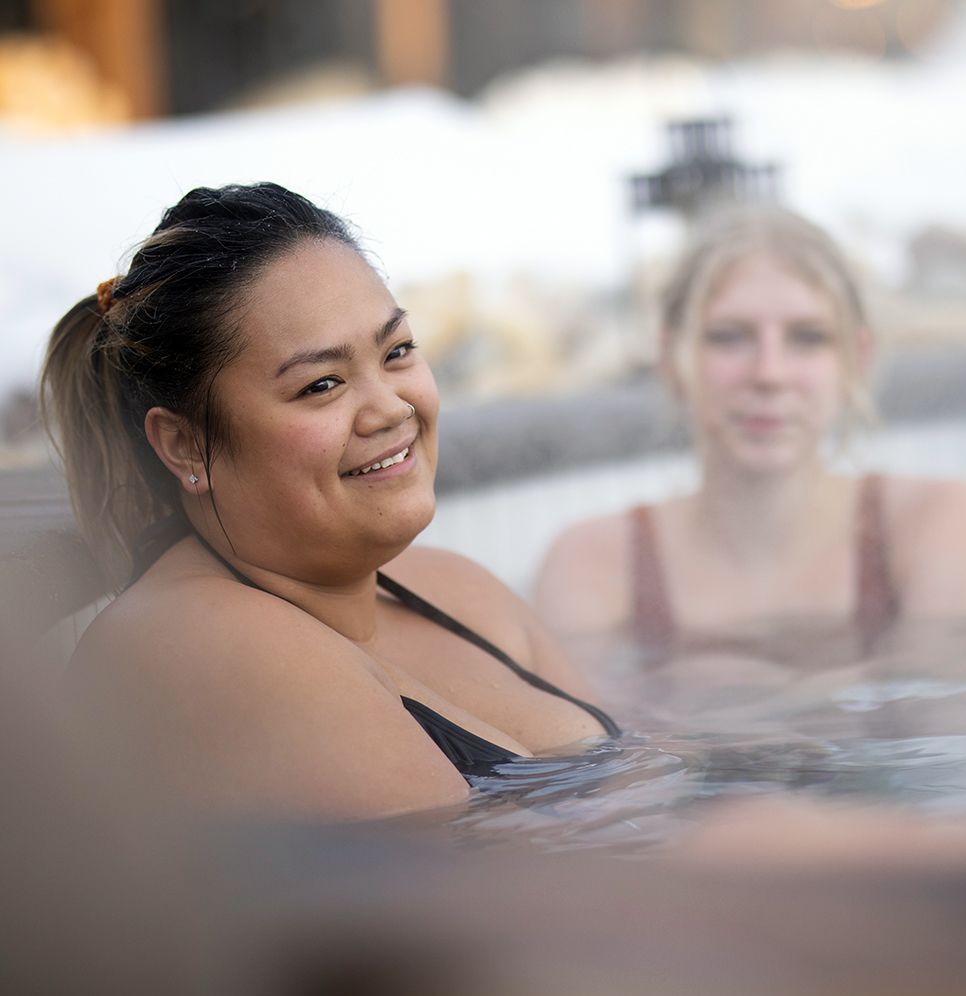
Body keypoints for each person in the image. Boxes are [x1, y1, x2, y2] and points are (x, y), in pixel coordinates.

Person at [41, 182, 619, 821]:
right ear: (183, 445)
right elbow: (490, 903)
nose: (392, 408)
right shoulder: (204, 644)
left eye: (396, 351)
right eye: (322, 384)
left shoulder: (459, 591)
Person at [535, 205, 966, 680]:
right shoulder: (592, 564)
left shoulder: (936, 523)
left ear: (855, 361)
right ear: (671, 360)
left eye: (808, 337)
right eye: (729, 337)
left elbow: (950, 729)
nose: (769, 374)